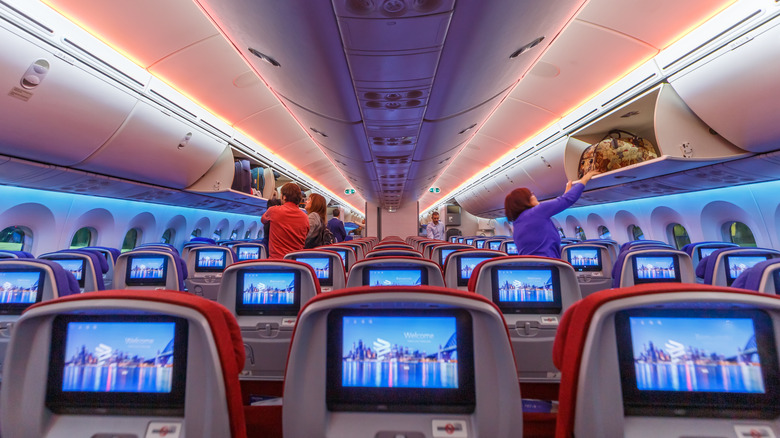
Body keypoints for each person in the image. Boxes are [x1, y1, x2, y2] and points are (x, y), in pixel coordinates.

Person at [505, 170, 599, 258]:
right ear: (525, 200)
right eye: (531, 194)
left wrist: (567, 193)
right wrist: (584, 179)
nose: (534, 196)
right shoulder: (537, 211)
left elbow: (562, 201)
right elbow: (567, 200)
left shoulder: (516, 224)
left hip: (529, 268)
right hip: (547, 266)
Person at [261, 183, 309, 258]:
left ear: (284, 197)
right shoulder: (305, 217)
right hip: (296, 263)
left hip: (276, 262)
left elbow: (263, 220)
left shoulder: (273, 211)